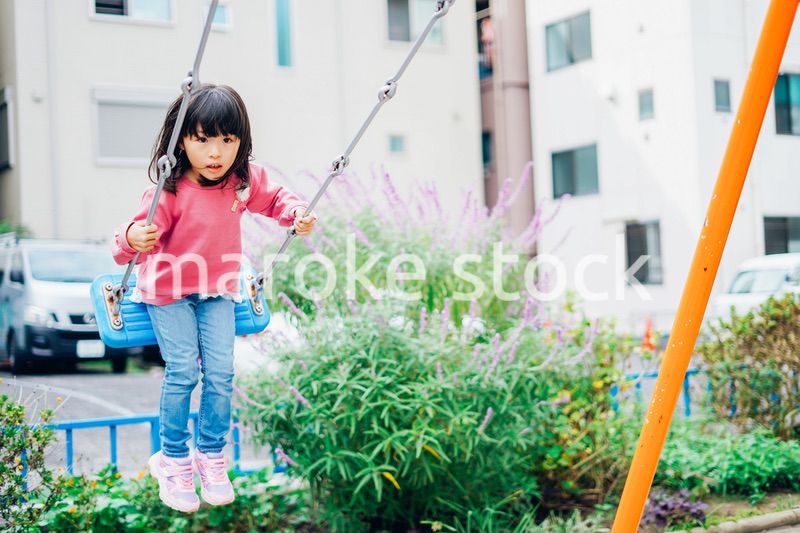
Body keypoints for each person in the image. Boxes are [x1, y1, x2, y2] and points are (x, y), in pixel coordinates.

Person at [111, 84, 316, 513]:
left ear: (241, 142)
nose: (216, 152)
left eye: (228, 139)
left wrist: (296, 213)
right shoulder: (168, 192)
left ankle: (210, 455)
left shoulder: (242, 183)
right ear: (181, 140)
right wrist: (133, 237)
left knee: (221, 374)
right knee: (184, 371)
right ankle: (173, 459)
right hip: (167, 292)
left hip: (218, 289)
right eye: (203, 139)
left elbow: (276, 198)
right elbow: (124, 246)